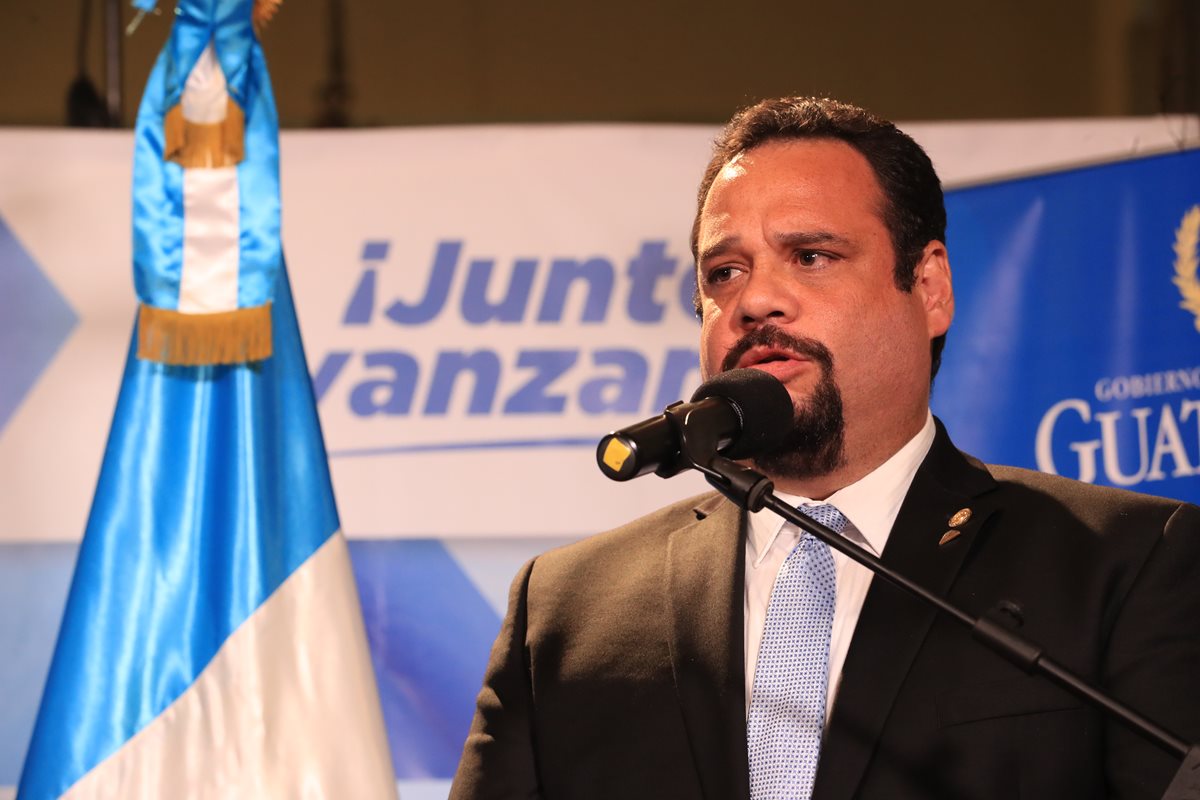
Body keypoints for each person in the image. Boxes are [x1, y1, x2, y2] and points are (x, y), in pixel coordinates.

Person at [449, 97, 1200, 800]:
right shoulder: (565, 613)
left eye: (810, 256)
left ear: (930, 287)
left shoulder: (1124, 565)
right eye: (724, 272)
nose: (755, 300)